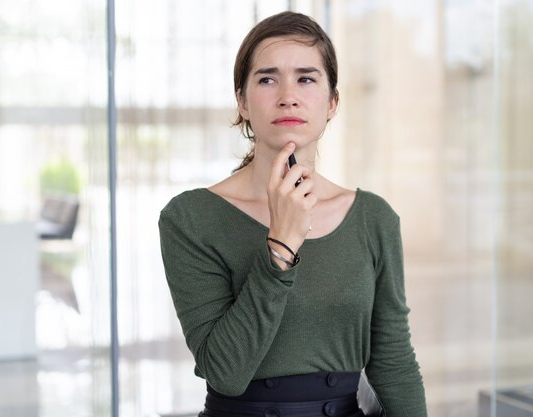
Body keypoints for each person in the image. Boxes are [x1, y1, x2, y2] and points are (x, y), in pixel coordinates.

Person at [159, 11, 427, 417]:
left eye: (306, 78)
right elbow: (225, 372)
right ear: (242, 102)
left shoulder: (373, 218)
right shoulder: (191, 218)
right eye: (267, 79)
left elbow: (394, 363)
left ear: (332, 102)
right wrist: (281, 245)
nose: (288, 95)